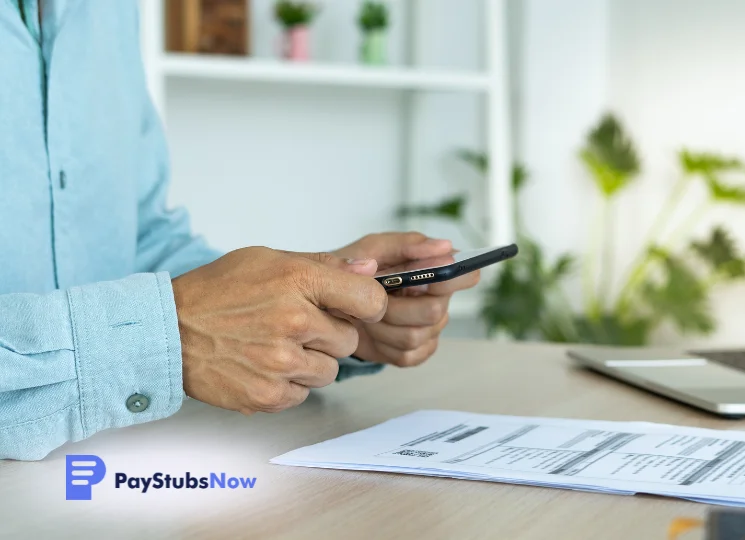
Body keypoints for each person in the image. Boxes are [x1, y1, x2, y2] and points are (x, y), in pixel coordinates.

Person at [0, 1, 479, 460]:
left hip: (94, 474)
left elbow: (138, 241)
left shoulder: (109, 9)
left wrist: (313, 312)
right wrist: (168, 336)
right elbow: (169, 322)